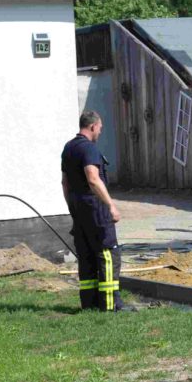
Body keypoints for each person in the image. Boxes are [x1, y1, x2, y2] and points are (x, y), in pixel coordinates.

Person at [61, 111, 124, 312]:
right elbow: (93, 178)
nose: (100, 132)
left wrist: (72, 206)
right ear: (93, 126)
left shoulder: (69, 148)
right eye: (100, 128)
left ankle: (89, 305)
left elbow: (65, 182)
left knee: (86, 256)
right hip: (95, 209)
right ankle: (109, 305)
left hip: (78, 209)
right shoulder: (89, 149)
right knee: (107, 253)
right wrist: (110, 205)